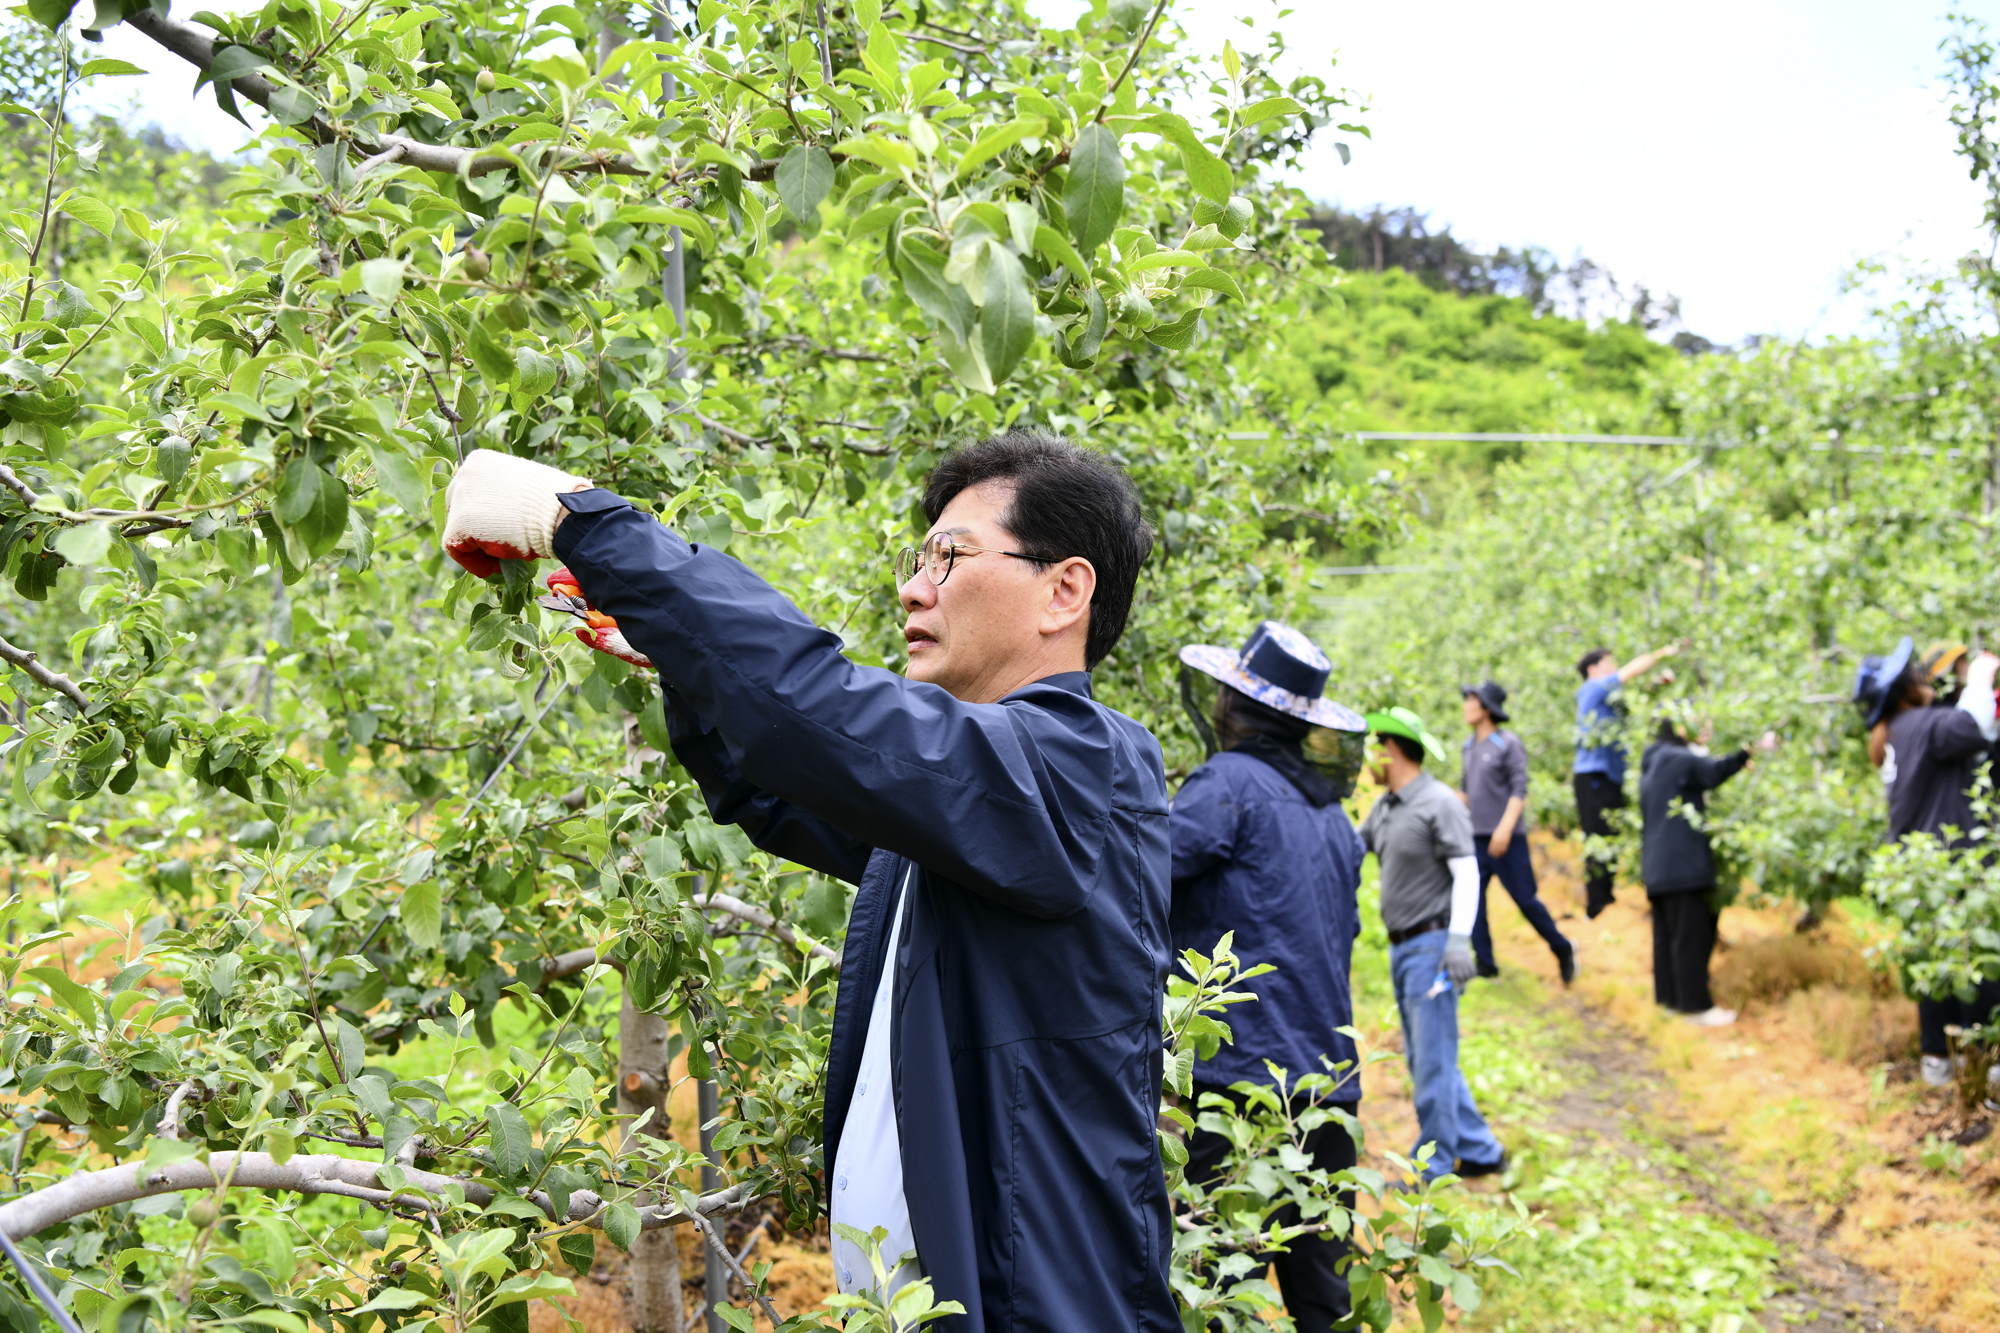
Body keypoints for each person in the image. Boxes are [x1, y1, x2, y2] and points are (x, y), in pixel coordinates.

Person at [440, 432, 1179, 1331]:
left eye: (949, 557)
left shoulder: (1073, 773)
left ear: (1064, 589)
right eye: (920, 559)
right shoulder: (973, 813)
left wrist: (580, 520)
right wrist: (683, 652)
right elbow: (777, 782)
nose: (914, 587)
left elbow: (818, 713)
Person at [1169, 622, 1369, 1331]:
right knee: (1325, 1296)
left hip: (1241, 1086)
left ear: (1233, 704)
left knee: (1220, 1286)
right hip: (1328, 1089)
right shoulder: (1336, 818)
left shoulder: (1228, 784)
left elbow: (1137, 877)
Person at [1357, 706, 1506, 1182]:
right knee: (1429, 1056)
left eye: (1374, 748)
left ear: (1393, 748)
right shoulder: (1385, 807)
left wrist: (1460, 942)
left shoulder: (1439, 801)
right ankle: (1482, 1151)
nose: (1369, 759)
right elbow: (1347, 848)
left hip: (1434, 944)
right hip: (1403, 948)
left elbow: (1468, 872)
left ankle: (1435, 1166)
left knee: (1432, 1063)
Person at [1855, 638, 2000, 1088]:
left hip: (1920, 874)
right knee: (1975, 960)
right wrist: (1979, 675)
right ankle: (1983, 1068)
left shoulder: (1898, 731)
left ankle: (1939, 1060)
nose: (1925, 679)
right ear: (1904, 691)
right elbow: (1973, 724)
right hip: (1951, 869)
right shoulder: (1923, 723)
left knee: (1937, 963)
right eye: (1916, 677)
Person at [1637, 715, 1777, 1026]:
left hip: (1657, 867)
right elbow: (1713, 772)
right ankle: (1697, 1007)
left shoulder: (1653, 762)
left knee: (1667, 936)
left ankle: (1670, 1002)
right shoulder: (1679, 758)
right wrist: (1746, 752)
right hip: (1682, 866)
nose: (1702, 728)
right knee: (1691, 936)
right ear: (1678, 728)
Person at [1457, 681, 1576, 983]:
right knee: (1472, 901)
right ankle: (1485, 964)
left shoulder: (1507, 742)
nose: (1465, 706)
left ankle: (1562, 948)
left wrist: (1505, 827)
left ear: (1485, 707)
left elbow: (1519, 788)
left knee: (1526, 900)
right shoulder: (1468, 747)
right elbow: (1466, 793)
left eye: (1470, 700)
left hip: (1507, 839)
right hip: (1476, 838)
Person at [1573, 642, 1683, 917]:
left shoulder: (1608, 697)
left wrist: (1657, 685)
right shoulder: (1593, 688)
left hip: (1609, 775)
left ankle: (1605, 899)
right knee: (1597, 835)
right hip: (1593, 774)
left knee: (1610, 833)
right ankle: (1596, 905)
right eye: (1610, 664)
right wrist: (1663, 653)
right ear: (1593, 669)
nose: (1615, 669)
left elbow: (1632, 702)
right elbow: (1630, 673)